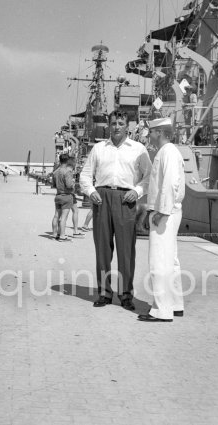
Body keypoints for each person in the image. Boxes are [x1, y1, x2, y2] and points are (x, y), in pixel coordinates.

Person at [79, 110, 152, 311]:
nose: (117, 126)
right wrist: (91, 191)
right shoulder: (99, 148)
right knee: (103, 249)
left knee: (126, 250)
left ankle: (126, 294)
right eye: (113, 123)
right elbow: (85, 175)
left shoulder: (138, 149)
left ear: (128, 126)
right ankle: (104, 293)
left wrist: (137, 192)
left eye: (121, 123)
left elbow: (149, 177)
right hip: (102, 198)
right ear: (108, 126)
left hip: (126, 200)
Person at [138, 117, 185, 323]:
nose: (149, 135)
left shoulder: (168, 152)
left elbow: (170, 184)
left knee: (159, 261)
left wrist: (161, 211)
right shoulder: (168, 152)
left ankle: (161, 310)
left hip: (164, 214)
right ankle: (175, 304)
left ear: (159, 132)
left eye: (151, 132)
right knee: (171, 260)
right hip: (168, 212)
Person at [51, 154, 75, 241]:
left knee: (56, 216)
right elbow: (69, 185)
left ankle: (54, 235)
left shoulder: (55, 172)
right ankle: (62, 236)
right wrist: (73, 183)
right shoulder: (67, 172)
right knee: (64, 217)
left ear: (60, 160)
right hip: (66, 196)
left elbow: (53, 185)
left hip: (58, 196)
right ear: (67, 161)